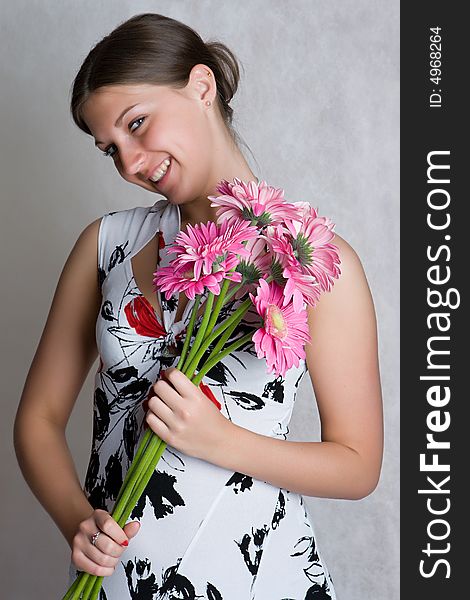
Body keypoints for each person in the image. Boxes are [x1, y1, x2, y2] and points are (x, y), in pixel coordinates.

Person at [13, 12, 383, 599]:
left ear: (202, 87)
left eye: (138, 124)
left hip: (261, 576)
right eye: (110, 148)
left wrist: (219, 439)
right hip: (116, 582)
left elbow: (359, 463)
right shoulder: (105, 247)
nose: (131, 164)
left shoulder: (313, 261)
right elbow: (37, 419)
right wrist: (76, 522)